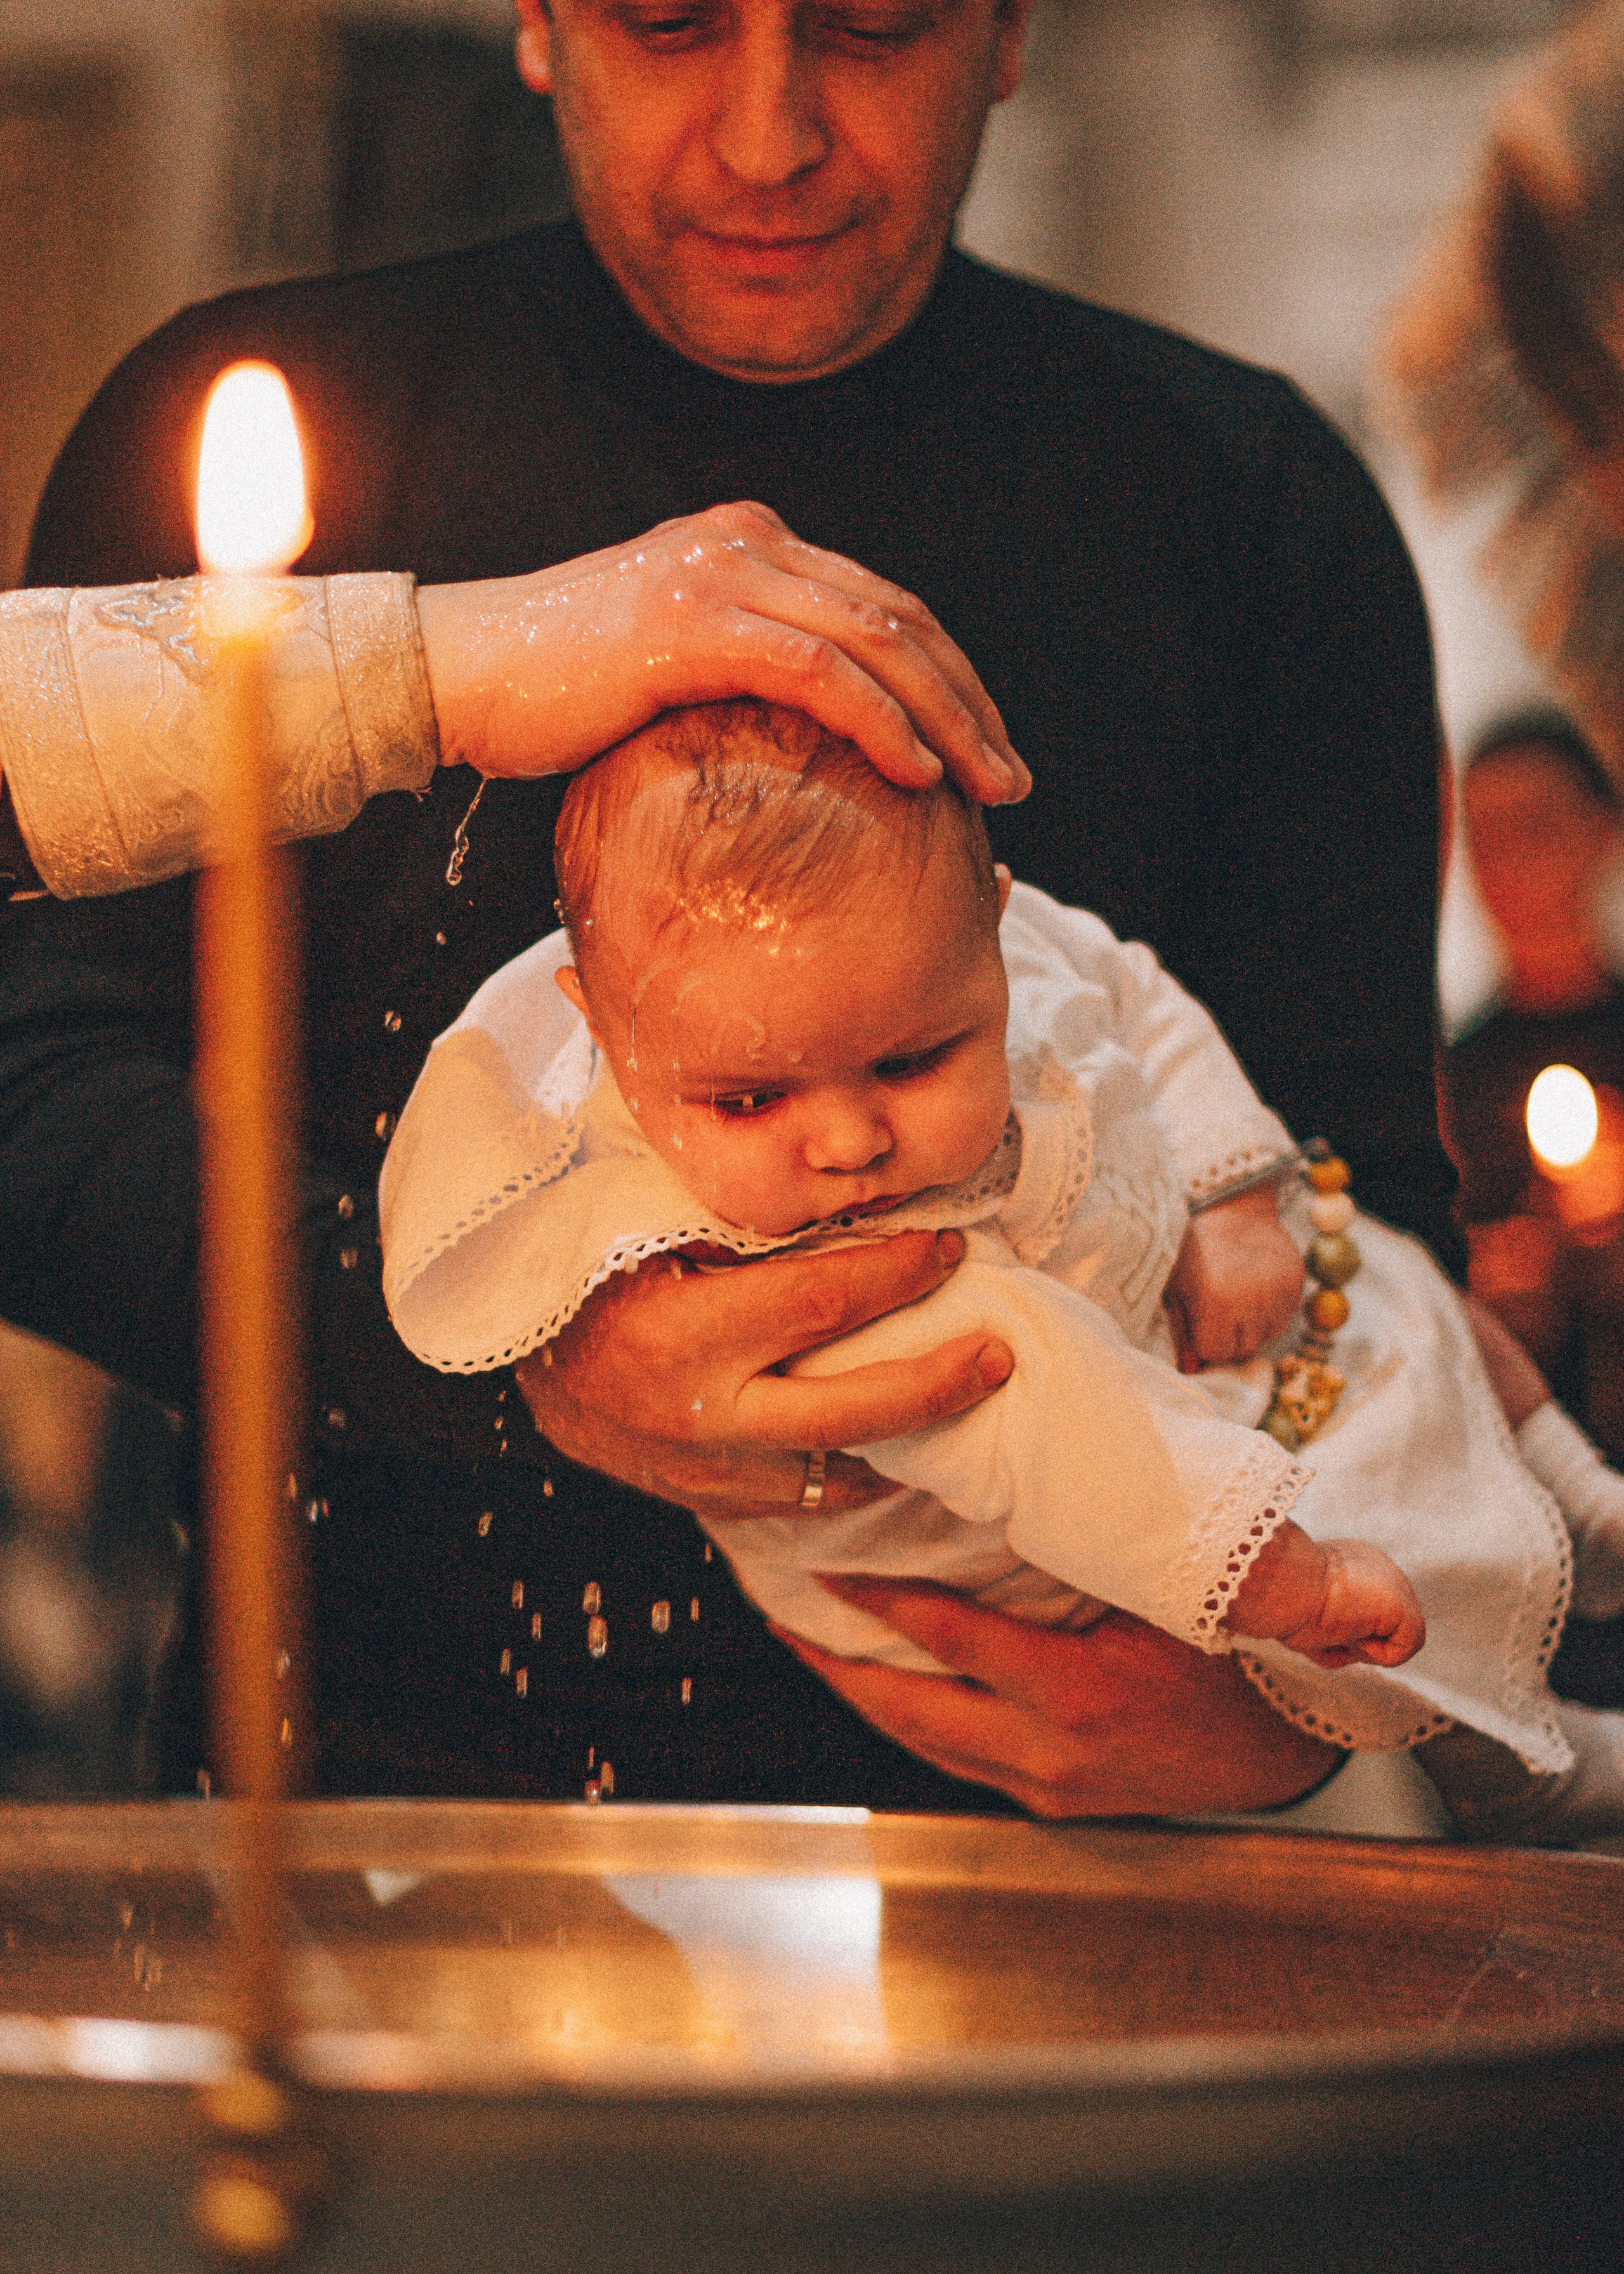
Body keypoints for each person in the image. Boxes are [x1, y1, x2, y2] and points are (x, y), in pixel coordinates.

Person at [0, 0, 1451, 1815]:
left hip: (1084, 1885)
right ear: (535, 21)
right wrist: (465, 1344)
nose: (769, 137)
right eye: (670, 21)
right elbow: (28, 1086)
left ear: (1007, 31)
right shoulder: (259, 435)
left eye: (873, 25)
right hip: (373, 1834)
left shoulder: (1250, 507)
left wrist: (1282, 1713)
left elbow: (1360, 1202)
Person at [382, 699, 1624, 1843]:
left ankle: (1580, 1495)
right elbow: (1032, 1404)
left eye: (916, 1060)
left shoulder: (954, 941)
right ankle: (1547, 1771)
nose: (847, 1140)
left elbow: (1130, 995)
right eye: (751, 1098)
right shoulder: (731, 1253)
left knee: (1389, 1275)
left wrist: (1232, 1188)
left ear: (989, 918)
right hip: (1082, 1549)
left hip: (1178, 1374)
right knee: (1353, 1652)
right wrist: (1263, 1567)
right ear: (604, 1032)